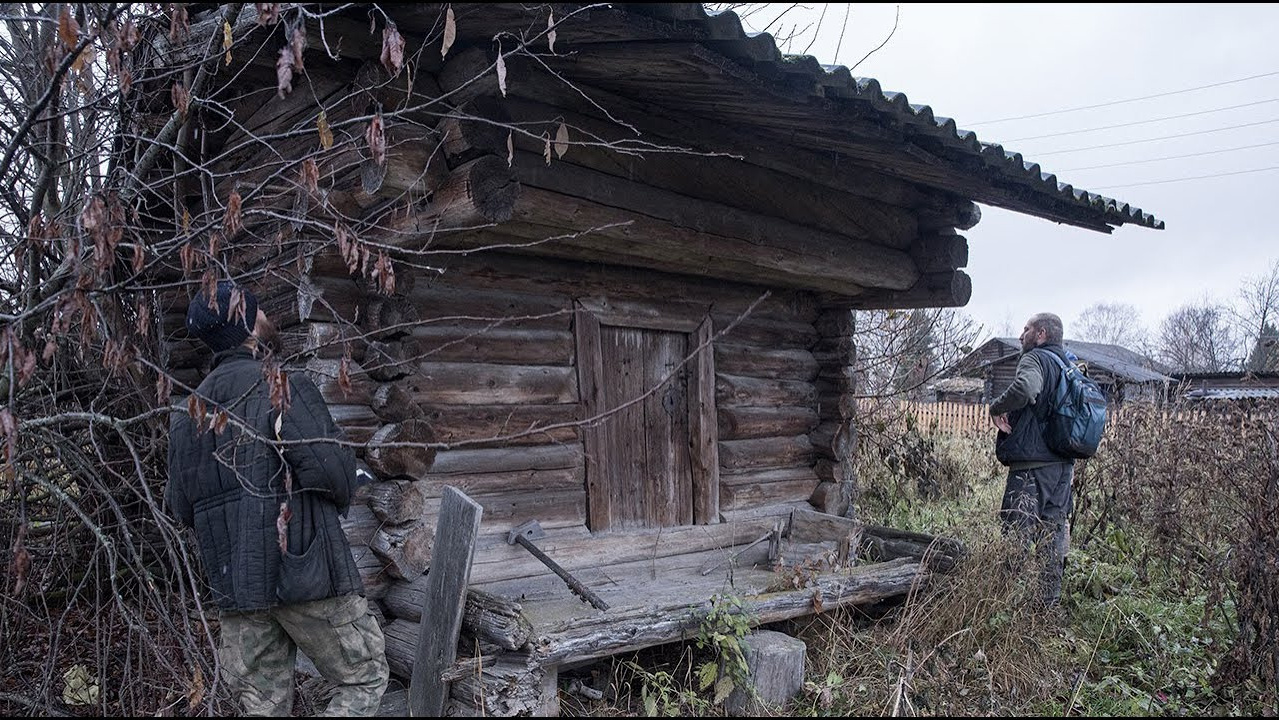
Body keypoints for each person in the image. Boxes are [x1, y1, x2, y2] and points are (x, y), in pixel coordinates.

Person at [165, 280, 389, 716]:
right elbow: (332, 471)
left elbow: (181, 508)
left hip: (234, 583)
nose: (265, 314)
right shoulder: (281, 387)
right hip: (304, 571)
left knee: (260, 707)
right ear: (248, 325)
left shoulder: (185, 416)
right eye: (257, 309)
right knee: (363, 677)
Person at [988, 312, 1074, 610]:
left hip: (1031, 468)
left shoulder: (1035, 359)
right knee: (1052, 538)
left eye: (1026, 329)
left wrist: (997, 407)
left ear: (1041, 335)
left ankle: (1003, 607)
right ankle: (1047, 608)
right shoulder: (1069, 365)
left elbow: (1026, 388)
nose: (1020, 335)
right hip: (1063, 469)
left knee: (1015, 535)